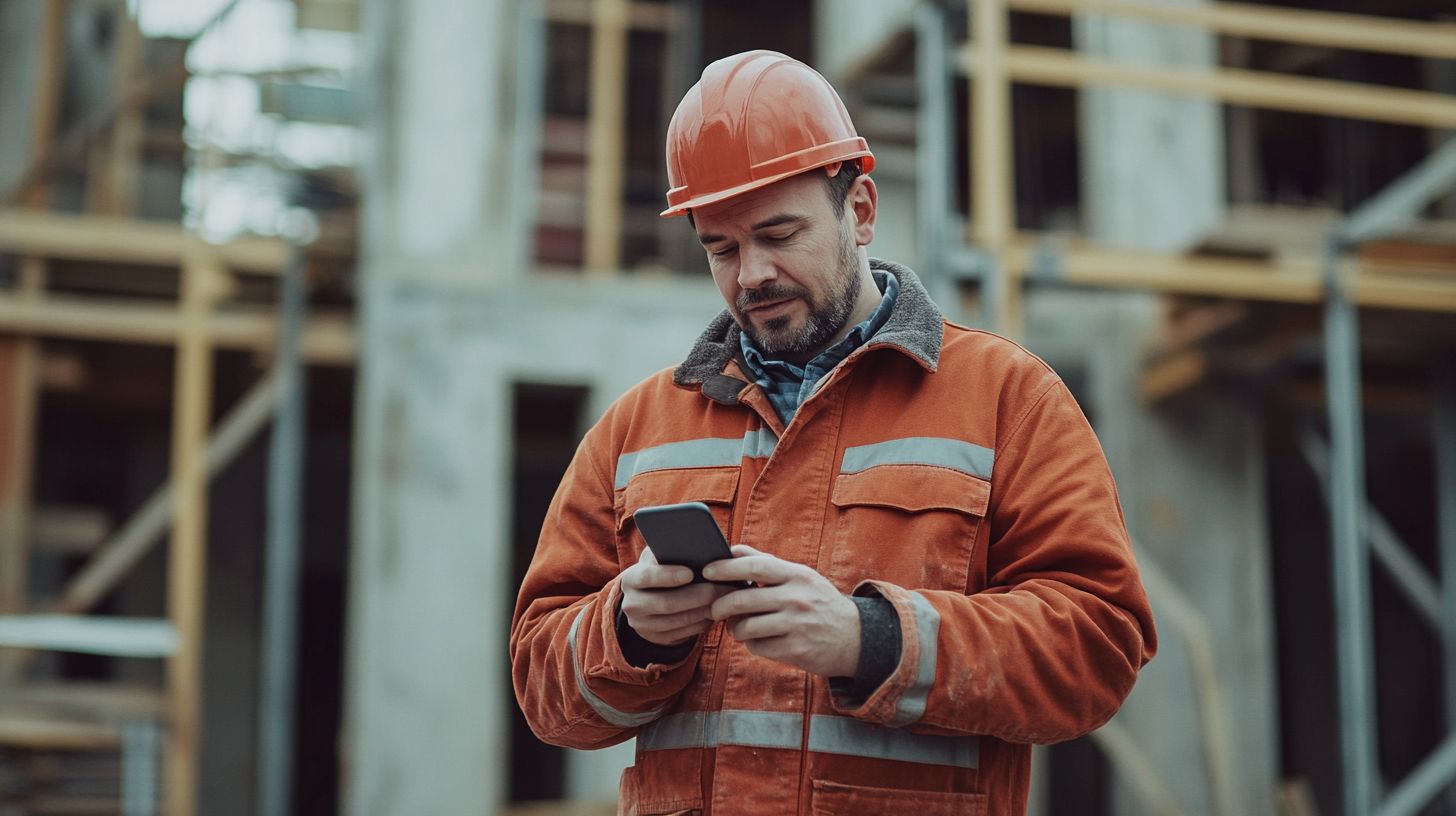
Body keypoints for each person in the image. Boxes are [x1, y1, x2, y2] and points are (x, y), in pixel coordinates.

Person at [511, 49, 1156, 815]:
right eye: (721, 248)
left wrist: (870, 638)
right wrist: (629, 629)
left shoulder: (1007, 399)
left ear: (860, 209)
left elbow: (1097, 646)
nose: (752, 274)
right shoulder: (637, 428)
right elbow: (544, 690)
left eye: (779, 234)